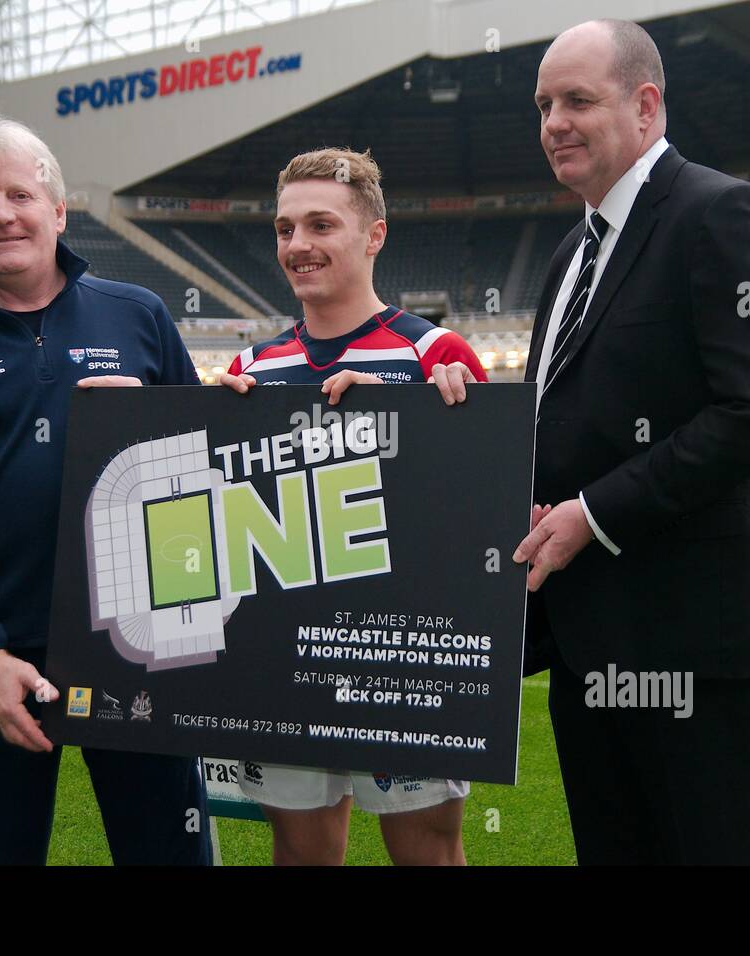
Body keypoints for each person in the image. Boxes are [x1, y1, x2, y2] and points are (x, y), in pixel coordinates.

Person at [511, 19, 750, 864]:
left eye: (578, 100)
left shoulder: (723, 212)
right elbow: (559, 421)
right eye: (543, 106)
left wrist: (592, 514)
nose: (554, 123)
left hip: (697, 646)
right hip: (585, 643)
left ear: (646, 106)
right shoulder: (569, 252)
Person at [0, 114, 210, 865]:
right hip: (1, 662)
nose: (1, 214)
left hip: (139, 650)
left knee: (167, 851)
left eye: (20, 196)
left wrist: (156, 422)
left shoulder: (139, 315)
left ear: (58, 212)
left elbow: (203, 472)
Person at [221, 147, 487, 865]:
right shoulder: (250, 371)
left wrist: (418, 424)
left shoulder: (436, 355)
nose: (298, 246)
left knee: (429, 853)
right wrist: (213, 436)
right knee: (302, 854)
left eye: (320, 225)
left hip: (400, 658)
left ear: (374, 235)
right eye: (284, 229)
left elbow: (488, 517)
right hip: (285, 662)